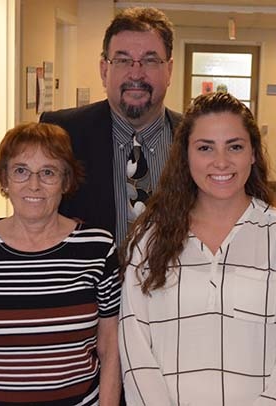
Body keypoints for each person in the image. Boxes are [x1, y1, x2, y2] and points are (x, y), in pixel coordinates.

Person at [118, 92, 276, 405]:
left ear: (253, 153)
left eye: (235, 146)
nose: (221, 162)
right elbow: (134, 345)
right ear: (185, 156)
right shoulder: (149, 237)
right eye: (205, 148)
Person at [0, 123, 122, 405]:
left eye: (48, 172)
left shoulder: (97, 247)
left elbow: (111, 346)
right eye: (21, 170)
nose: (33, 185)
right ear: (4, 179)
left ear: (66, 181)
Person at [41, 7, 181, 245]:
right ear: (104, 70)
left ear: (168, 70)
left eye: (150, 60)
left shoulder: (195, 139)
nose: (136, 73)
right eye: (123, 60)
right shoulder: (61, 133)